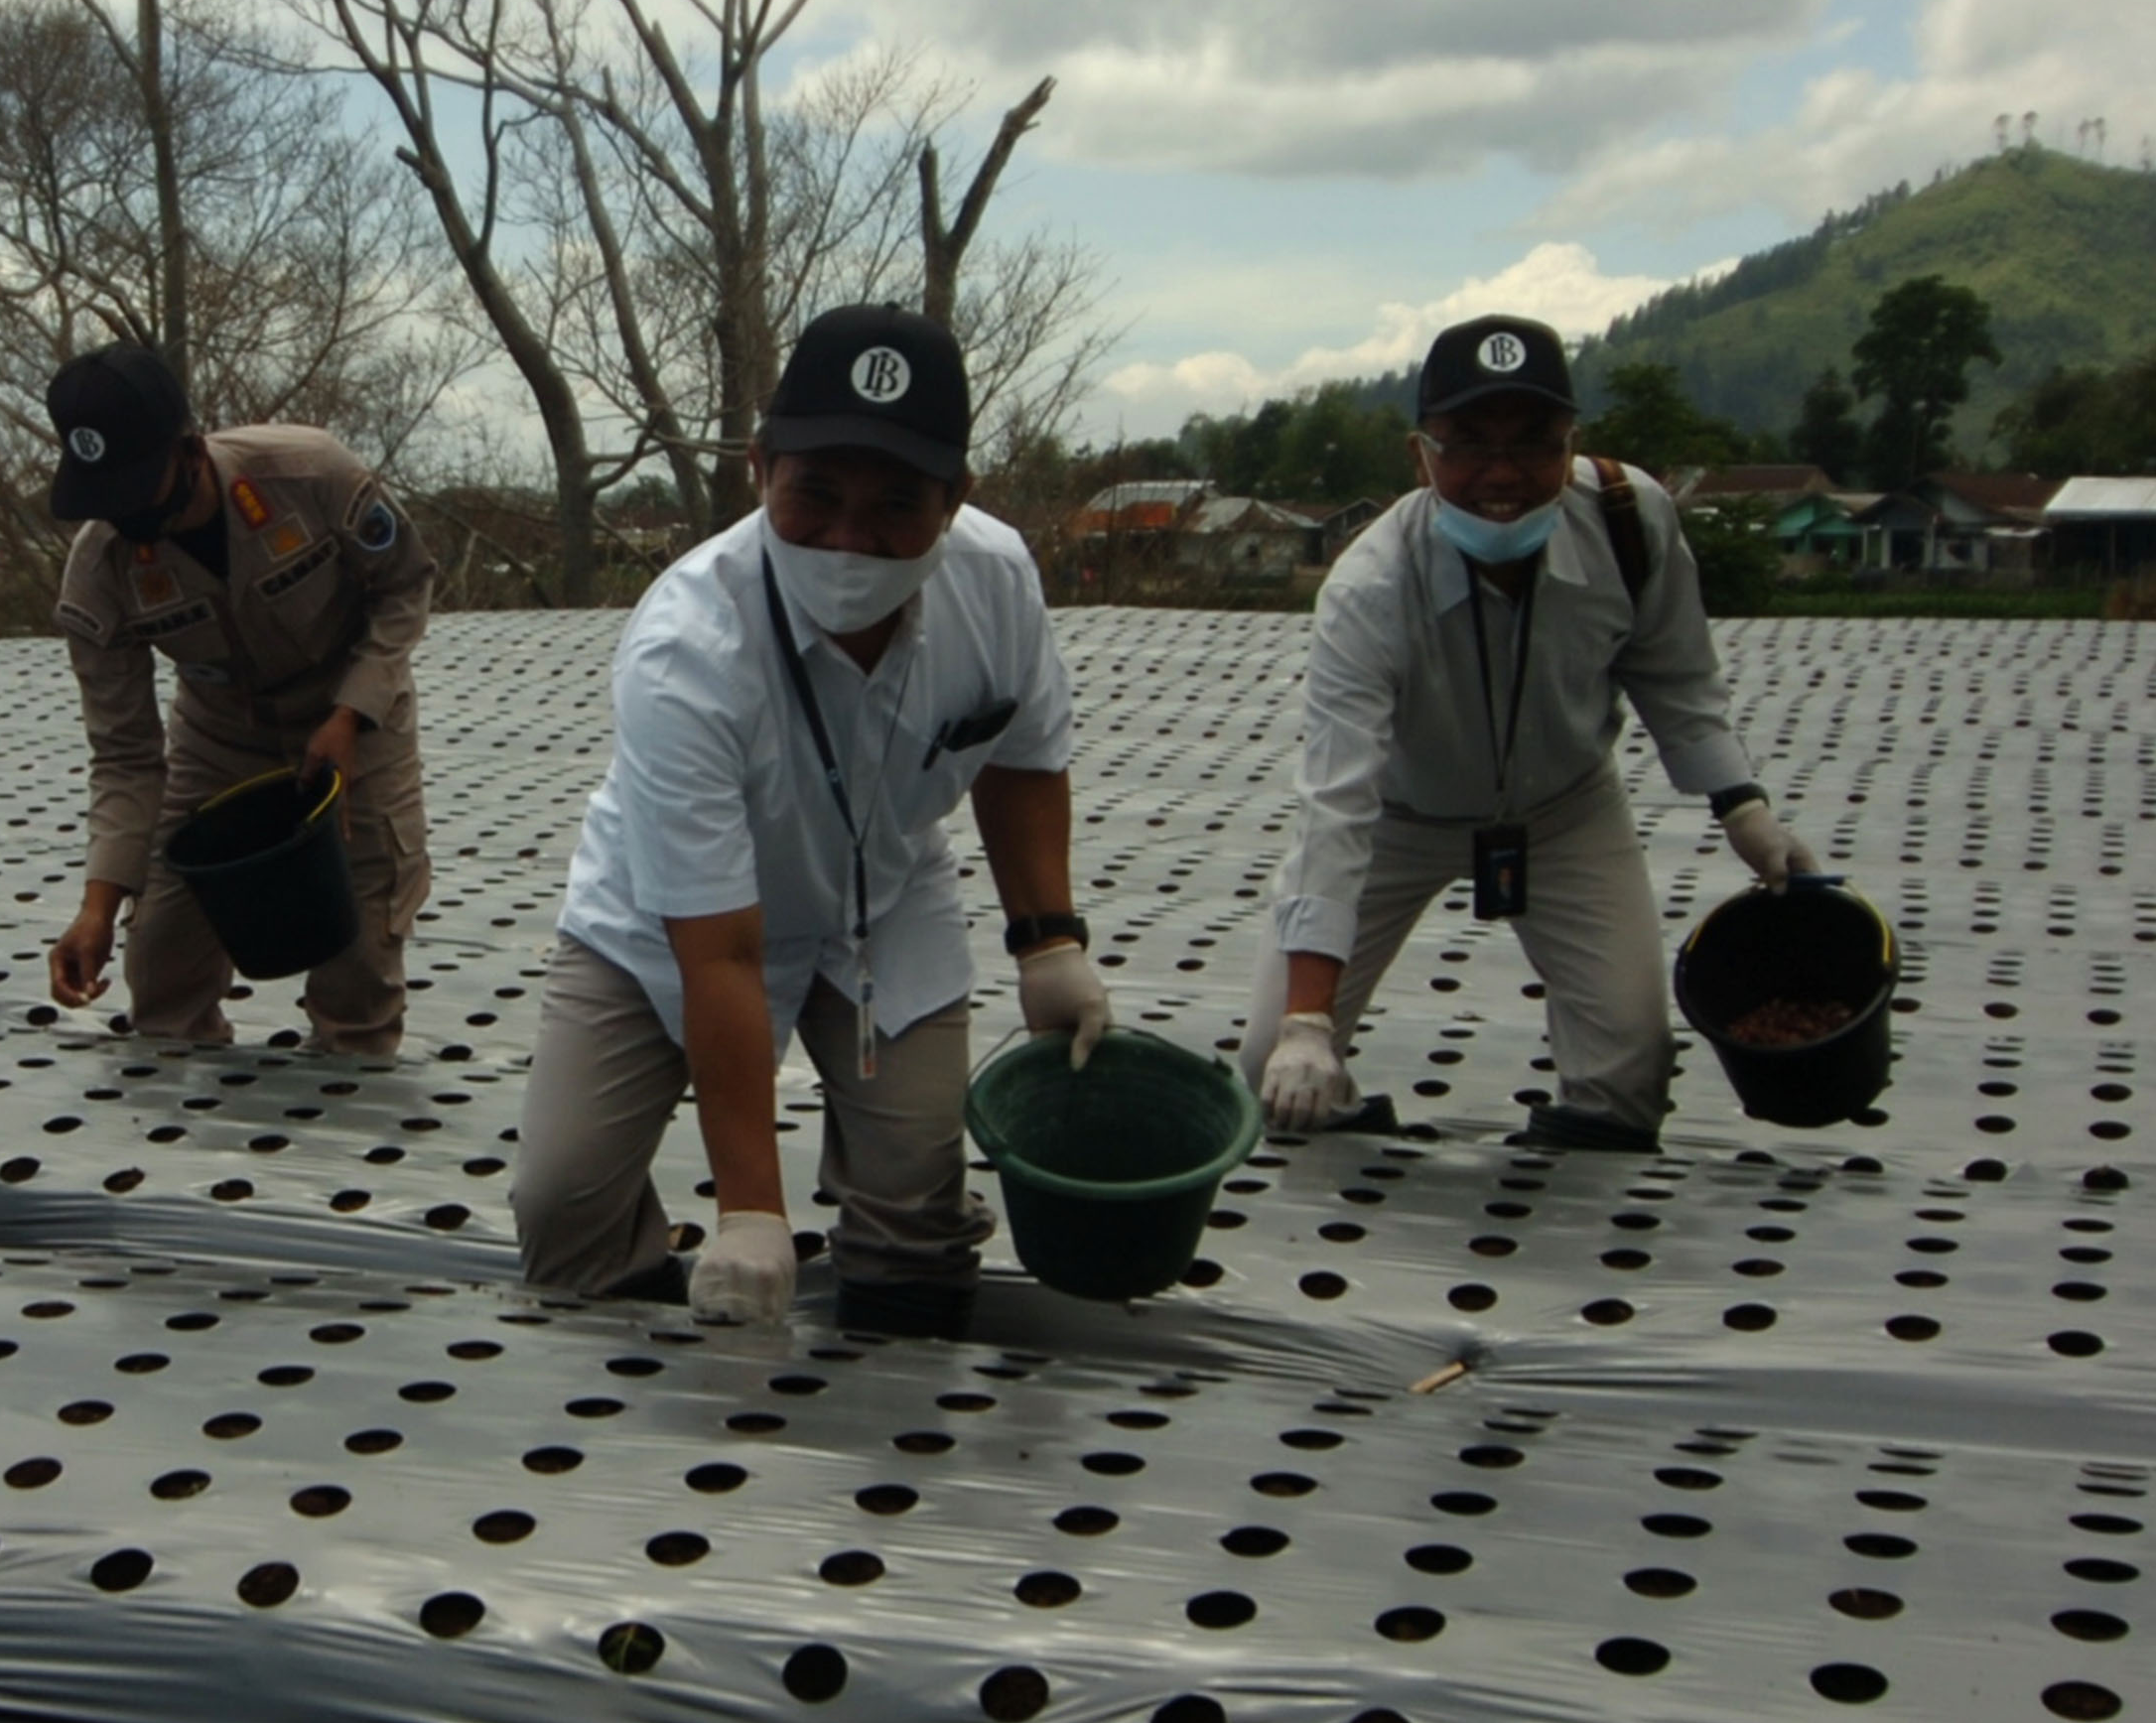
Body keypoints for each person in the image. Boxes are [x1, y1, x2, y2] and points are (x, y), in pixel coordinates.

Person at [508, 304, 1106, 1339]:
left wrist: (1046, 940)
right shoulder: (686, 649)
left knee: (916, 1195)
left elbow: (1018, 756)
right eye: (815, 495)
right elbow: (722, 956)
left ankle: (892, 1370)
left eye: (893, 506)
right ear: (759, 468)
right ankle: (633, 1350)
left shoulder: (996, 581)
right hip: (664, 927)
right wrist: (749, 1210)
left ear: (956, 499)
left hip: (881, 902)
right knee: (561, 1203)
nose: (847, 540)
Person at [1241, 316, 1816, 1153]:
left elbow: (1677, 675)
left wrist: (1745, 811)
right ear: (1421, 455)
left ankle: (1577, 1179)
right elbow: (1337, 805)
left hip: (1564, 809)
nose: (1502, 474)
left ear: (1571, 442)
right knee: (1275, 1068)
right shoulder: (1371, 588)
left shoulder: (1629, 518)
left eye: (1535, 443)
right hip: (1401, 817)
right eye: (1469, 443)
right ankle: (1350, 1126)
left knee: (1632, 1072)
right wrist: (1303, 1022)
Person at [43, 343, 438, 1056]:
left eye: (139, 491)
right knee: (159, 961)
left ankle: (350, 1114)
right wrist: (98, 907)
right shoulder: (99, 570)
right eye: (107, 501)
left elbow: (405, 583)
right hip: (220, 735)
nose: (129, 521)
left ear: (191, 451)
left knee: (358, 968)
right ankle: (192, 1150)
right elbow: (127, 756)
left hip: (354, 714)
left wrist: (351, 713)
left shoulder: (310, 474)